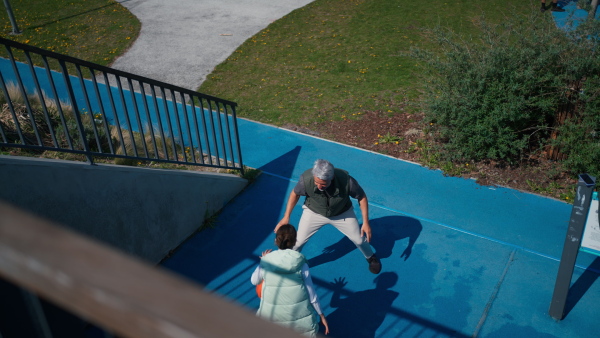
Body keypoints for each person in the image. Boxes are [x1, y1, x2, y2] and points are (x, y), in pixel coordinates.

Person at [275, 159, 382, 274]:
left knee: (359, 240)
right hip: (313, 212)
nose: (319, 186)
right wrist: (286, 216)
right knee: (298, 243)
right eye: (317, 182)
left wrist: (366, 222)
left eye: (323, 184)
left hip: (342, 213)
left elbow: (362, 197)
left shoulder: (347, 181)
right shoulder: (305, 180)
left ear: (332, 178)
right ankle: (286, 262)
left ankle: (371, 257)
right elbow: (295, 194)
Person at [251, 224, 329, 337]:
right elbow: (312, 295)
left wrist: (263, 261)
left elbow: (254, 281)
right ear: (294, 241)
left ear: (276, 240)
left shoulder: (266, 262)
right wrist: (321, 315)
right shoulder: (301, 263)